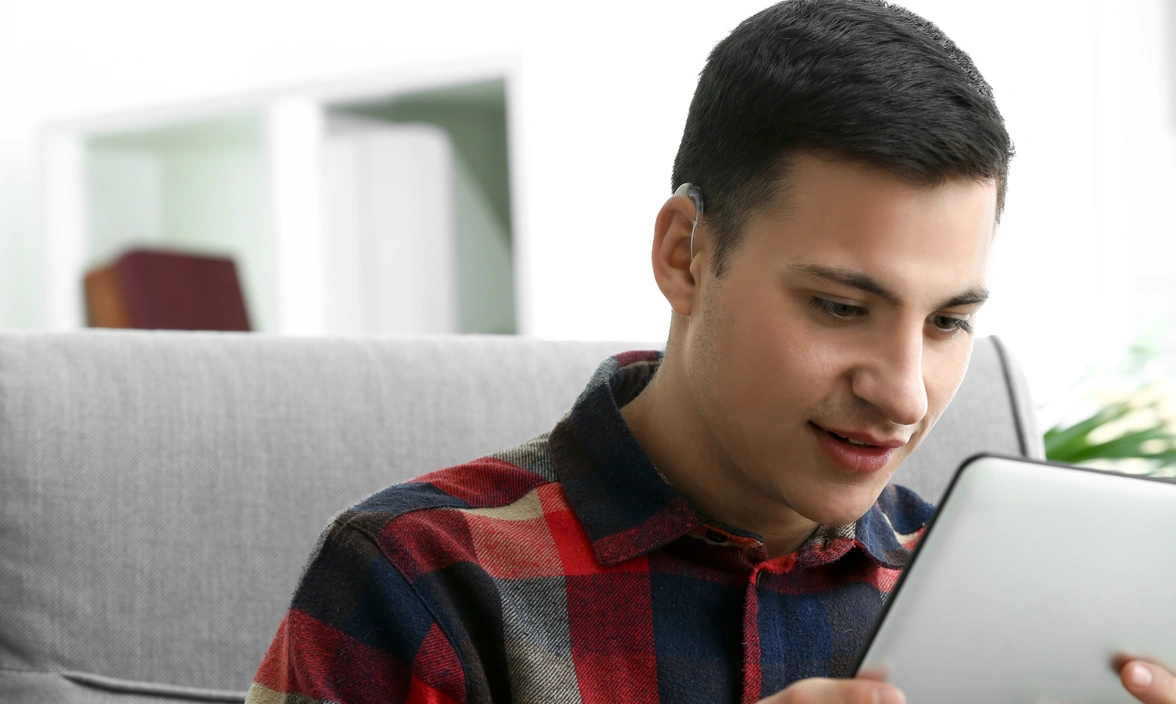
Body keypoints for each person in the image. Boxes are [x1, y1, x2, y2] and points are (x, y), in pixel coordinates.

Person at [246, 1, 1176, 703]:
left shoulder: (996, 594)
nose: (902, 393)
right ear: (685, 254)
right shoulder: (421, 578)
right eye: (841, 306)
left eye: (947, 322)